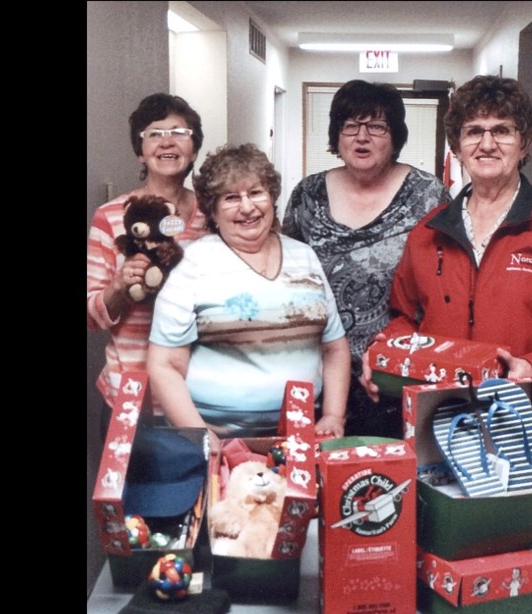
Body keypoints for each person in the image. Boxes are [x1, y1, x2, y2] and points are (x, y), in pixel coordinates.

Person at [361, 75, 532, 462]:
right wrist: (383, 351)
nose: (487, 144)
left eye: (502, 131)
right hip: (436, 426)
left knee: (520, 523)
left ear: (524, 142)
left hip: (525, 423)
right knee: (444, 520)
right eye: (474, 131)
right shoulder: (428, 232)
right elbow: (403, 317)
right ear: (457, 147)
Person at [147, 143, 351, 441]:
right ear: (213, 211)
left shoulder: (304, 256)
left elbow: (334, 348)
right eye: (231, 198)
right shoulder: (192, 264)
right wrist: (201, 435)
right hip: (218, 441)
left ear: (271, 198)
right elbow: (164, 365)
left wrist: (333, 415)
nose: (247, 207)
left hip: (301, 436)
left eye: (256, 192)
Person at [283, 79, 449, 439]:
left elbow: (445, 285)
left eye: (376, 126)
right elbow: (284, 271)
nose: (362, 137)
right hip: (317, 371)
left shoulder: (427, 195)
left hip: (395, 374)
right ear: (337, 135)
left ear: (395, 136)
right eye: (350, 126)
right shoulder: (307, 195)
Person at [87, 93, 208, 441]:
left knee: (206, 494)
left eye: (180, 133)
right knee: (130, 495)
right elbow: (92, 316)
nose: (167, 141)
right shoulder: (111, 217)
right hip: (131, 394)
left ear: (194, 149)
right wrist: (119, 288)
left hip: (198, 397)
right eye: (154, 133)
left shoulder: (214, 216)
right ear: (140, 151)